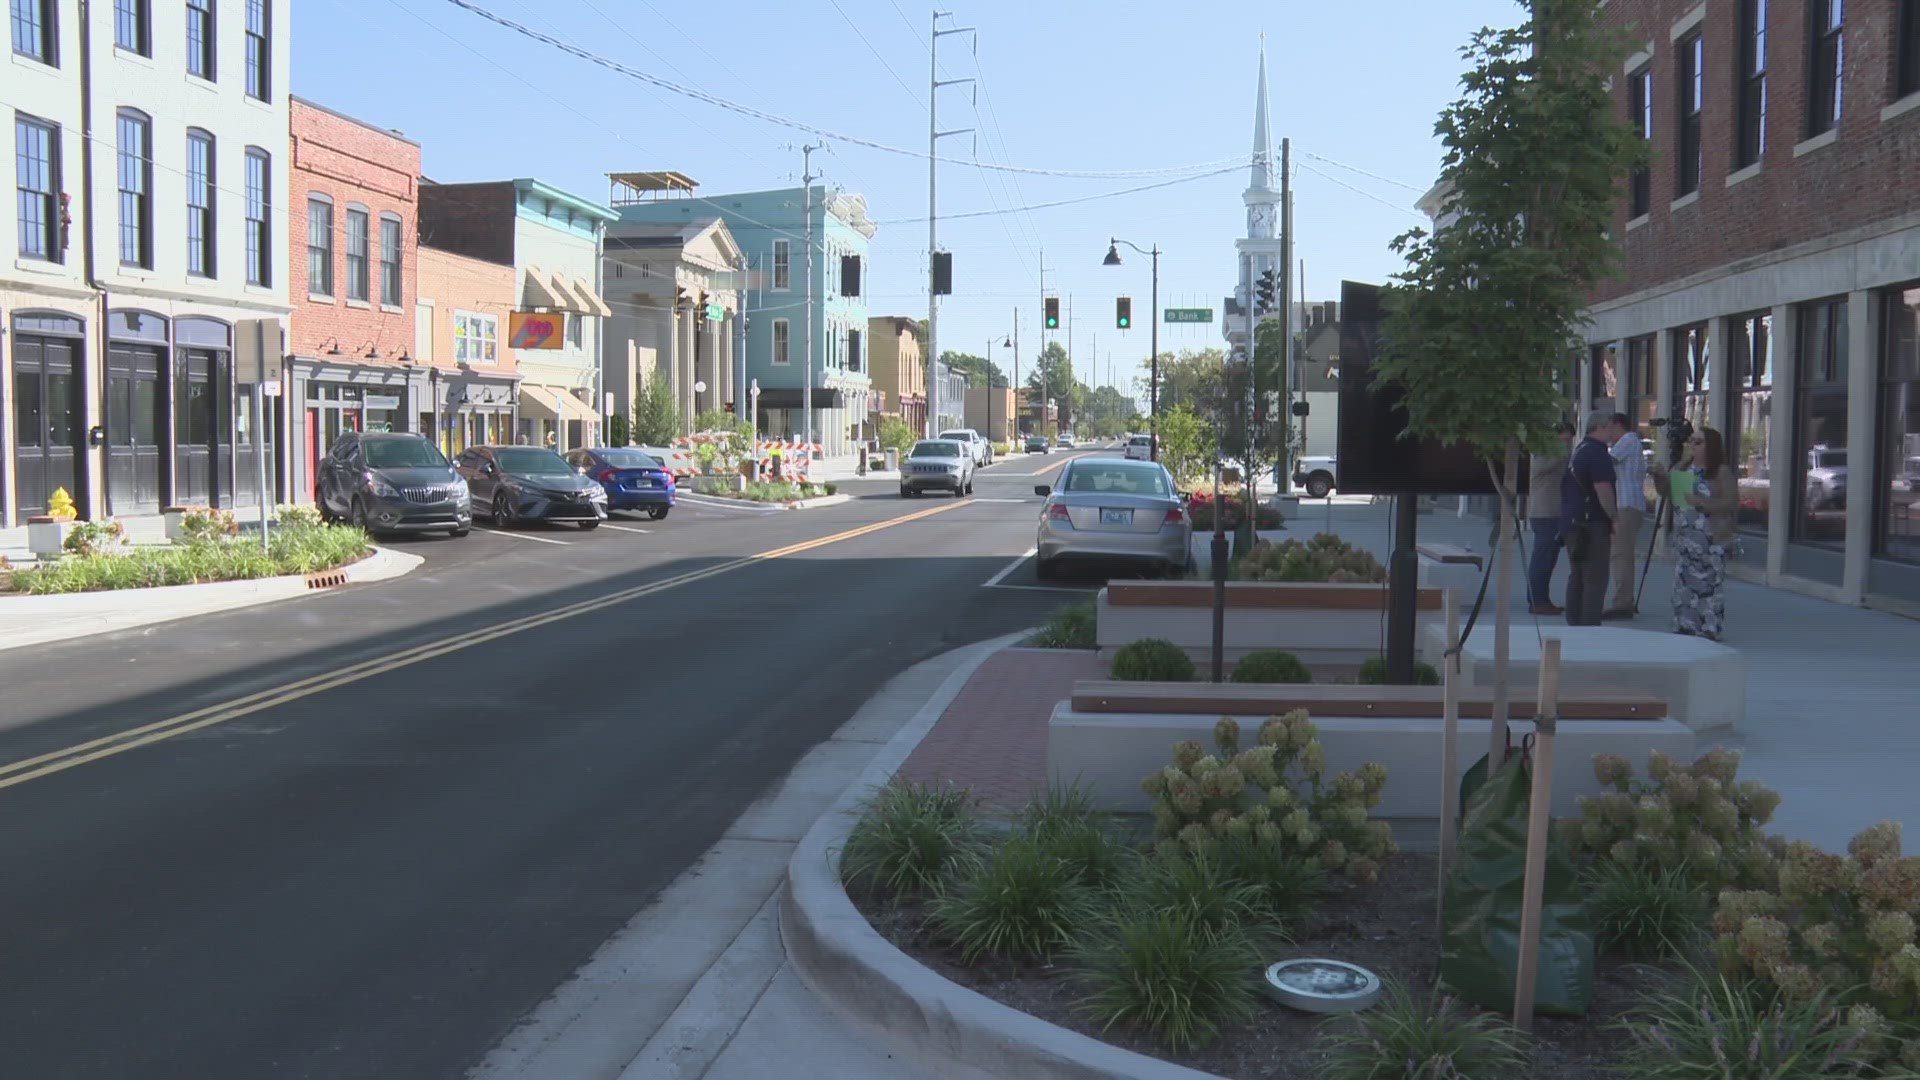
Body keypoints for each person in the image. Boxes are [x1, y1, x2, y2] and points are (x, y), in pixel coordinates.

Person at [1658, 426, 1738, 640]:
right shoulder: (1683, 467)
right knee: (1684, 582)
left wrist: (1703, 503)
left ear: (1710, 446)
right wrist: (1659, 477)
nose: (1692, 445)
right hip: (1686, 536)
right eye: (1691, 441)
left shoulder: (1720, 472)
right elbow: (1667, 492)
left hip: (1711, 538)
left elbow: (1730, 502)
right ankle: (1685, 624)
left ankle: (1709, 627)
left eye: (1698, 442)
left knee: (1710, 584)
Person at [1562, 410, 1619, 626]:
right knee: (1595, 577)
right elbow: (1603, 488)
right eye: (1611, 427)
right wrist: (1613, 517)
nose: (1613, 432)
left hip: (1573, 521)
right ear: (1601, 427)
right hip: (1591, 523)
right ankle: (1589, 627)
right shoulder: (1597, 452)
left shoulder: (1579, 450)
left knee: (1577, 574)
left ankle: (1574, 622)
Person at [1526, 421, 1576, 615]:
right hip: (1544, 513)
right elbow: (1549, 463)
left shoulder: (1555, 455)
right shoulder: (1543, 454)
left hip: (1553, 512)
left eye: (1570, 441)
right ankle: (1538, 600)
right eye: (1564, 440)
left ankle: (1541, 599)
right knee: (1543, 559)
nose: (1568, 445)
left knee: (1548, 559)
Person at [1605, 412, 1649, 618]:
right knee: (1622, 553)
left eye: (1609, 428)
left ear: (1617, 425)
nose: (1608, 434)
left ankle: (1623, 602)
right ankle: (1625, 598)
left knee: (1620, 553)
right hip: (1628, 503)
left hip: (1626, 503)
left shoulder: (1628, 440)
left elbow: (1607, 461)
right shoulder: (1631, 442)